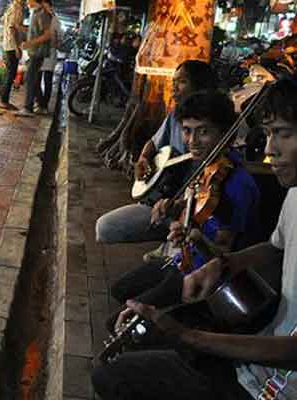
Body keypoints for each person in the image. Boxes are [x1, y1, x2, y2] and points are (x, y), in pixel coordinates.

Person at [92, 79, 297, 400]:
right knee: (122, 342)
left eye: (284, 134)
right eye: (270, 134)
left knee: (117, 369)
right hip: (250, 355)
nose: (270, 149)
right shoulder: (294, 193)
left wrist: (187, 336)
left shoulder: (240, 183)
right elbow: (276, 247)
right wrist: (222, 264)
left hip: (271, 385)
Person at [107, 91, 260, 333]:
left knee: (117, 324)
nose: (193, 140)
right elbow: (196, 203)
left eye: (204, 131)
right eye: (187, 130)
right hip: (181, 258)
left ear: (225, 134)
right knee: (119, 290)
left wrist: (196, 239)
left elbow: (223, 255)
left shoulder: (238, 184)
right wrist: (173, 207)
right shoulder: (207, 166)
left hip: (198, 272)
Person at [95, 60, 218, 245]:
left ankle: (170, 243)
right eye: (174, 81)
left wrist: (180, 205)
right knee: (104, 228)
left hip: (192, 209)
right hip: (162, 199)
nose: (174, 87)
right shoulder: (175, 115)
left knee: (106, 227)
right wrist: (144, 158)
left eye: (182, 82)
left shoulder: (218, 123)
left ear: (201, 85)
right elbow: (153, 142)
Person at [18, 0, 53, 116]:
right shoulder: (36, 13)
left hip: (38, 52)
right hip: (34, 51)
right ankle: (41, 104)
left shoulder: (43, 14)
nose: (27, 1)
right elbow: (35, 32)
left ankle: (28, 108)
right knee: (34, 79)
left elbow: (47, 35)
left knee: (30, 78)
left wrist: (30, 43)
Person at [0, 0, 25, 110]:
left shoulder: (10, 9)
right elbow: (12, 28)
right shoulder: (16, 9)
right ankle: (4, 101)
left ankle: (3, 98)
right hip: (11, 46)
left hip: (7, 45)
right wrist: (16, 48)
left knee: (8, 73)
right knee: (10, 74)